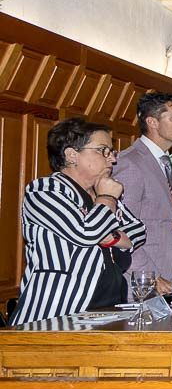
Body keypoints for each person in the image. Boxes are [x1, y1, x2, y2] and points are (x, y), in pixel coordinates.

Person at [12, 118, 147, 326]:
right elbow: (86, 233)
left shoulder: (100, 193)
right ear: (72, 154)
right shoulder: (45, 190)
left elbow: (138, 231)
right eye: (103, 150)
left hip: (107, 310)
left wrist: (110, 238)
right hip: (55, 314)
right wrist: (108, 199)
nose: (112, 159)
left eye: (112, 152)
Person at [113, 91, 172, 297]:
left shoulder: (166, 162)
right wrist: (150, 275)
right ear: (152, 122)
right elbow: (121, 230)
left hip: (169, 278)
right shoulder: (130, 163)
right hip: (141, 283)